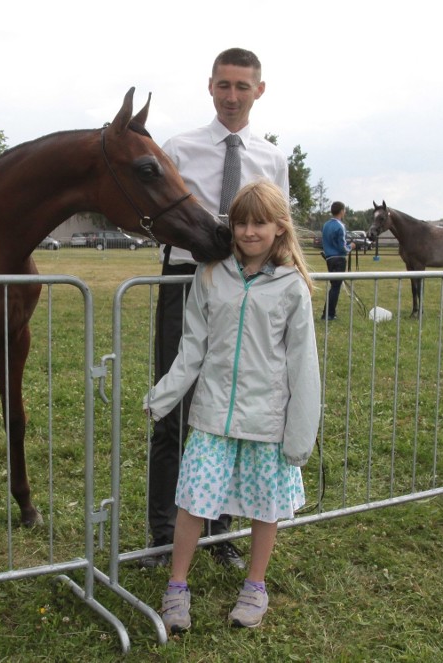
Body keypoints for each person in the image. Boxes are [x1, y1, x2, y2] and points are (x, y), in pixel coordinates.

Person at [143, 179, 321, 632]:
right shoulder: (210, 275)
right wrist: (163, 396)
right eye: (241, 222)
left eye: (259, 222)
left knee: (265, 507)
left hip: (267, 420)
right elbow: (192, 346)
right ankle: (177, 586)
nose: (248, 231)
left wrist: (299, 435)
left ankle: (255, 586)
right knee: (192, 501)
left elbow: (303, 366)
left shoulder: (291, 288)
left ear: (280, 227)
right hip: (212, 415)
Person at [142, 47, 290, 569]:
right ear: (210, 87)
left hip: (245, 290)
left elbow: (280, 229)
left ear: (259, 90)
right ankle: (163, 533)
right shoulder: (178, 149)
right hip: (186, 282)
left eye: (242, 86)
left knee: (230, 414)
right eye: (223, 85)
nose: (232, 96)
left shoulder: (272, 158)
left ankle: (218, 531)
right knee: (174, 409)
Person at [319, 201, 353, 321]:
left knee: (334, 286)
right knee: (335, 287)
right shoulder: (340, 226)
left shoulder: (326, 225)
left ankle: (328, 312)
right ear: (342, 211)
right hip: (339, 259)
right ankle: (329, 314)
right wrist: (351, 247)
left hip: (329, 258)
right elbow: (342, 247)